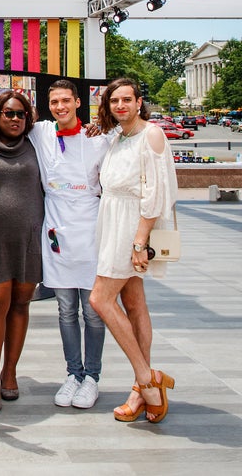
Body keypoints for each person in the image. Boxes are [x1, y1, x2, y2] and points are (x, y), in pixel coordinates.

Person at [90, 78, 178, 423]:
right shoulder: (117, 138)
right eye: (115, 101)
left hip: (132, 225)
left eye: (128, 99)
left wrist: (140, 242)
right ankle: (139, 390)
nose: (121, 105)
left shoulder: (151, 134)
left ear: (140, 102)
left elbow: (155, 193)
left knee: (99, 299)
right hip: (111, 221)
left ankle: (146, 379)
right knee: (134, 302)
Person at [28, 79, 110, 409]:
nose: (60, 107)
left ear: (78, 102)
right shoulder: (40, 133)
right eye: (54, 102)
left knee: (93, 312)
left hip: (90, 227)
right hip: (57, 229)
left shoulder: (98, 138)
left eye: (66, 100)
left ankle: (92, 377)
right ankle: (72, 374)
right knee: (65, 311)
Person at [0, 90, 44, 411]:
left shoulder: (38, 145)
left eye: (21, 114)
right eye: (9, 113)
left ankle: (10, 372)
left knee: (20, 305)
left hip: (29, 240)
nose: (15, 119)